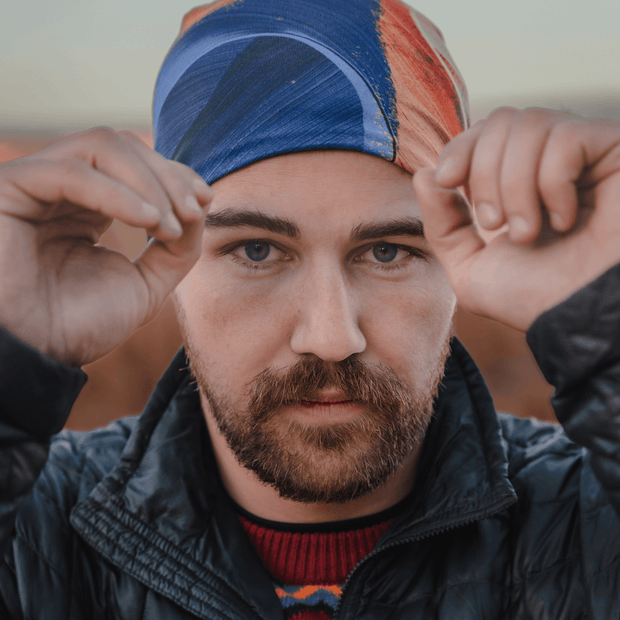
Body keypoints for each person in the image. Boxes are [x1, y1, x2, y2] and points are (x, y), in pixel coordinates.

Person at [1, 0, 620, 618]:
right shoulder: (38, 531)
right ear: (175, 265)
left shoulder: (583, 519)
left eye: (386, 251)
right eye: (256, 249)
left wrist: (607, 321)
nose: (330, 336)